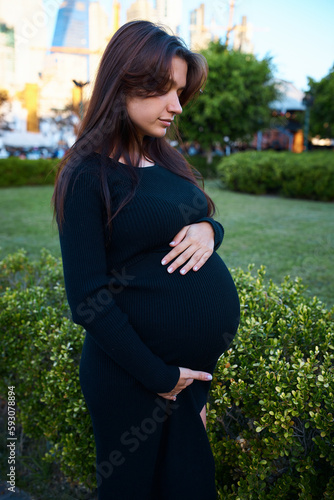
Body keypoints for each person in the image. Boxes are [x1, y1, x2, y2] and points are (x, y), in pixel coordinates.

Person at [52, 20, 240, 500]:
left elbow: (193, 222)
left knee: (189, 486)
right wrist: (162, 380)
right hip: (134, 377)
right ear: (123, 84)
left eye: (179, 91)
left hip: (183, 379)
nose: (176, 106)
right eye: (163, 91)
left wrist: (209, 231)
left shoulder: (164, 157)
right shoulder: (86, 175)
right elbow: (88, 298)